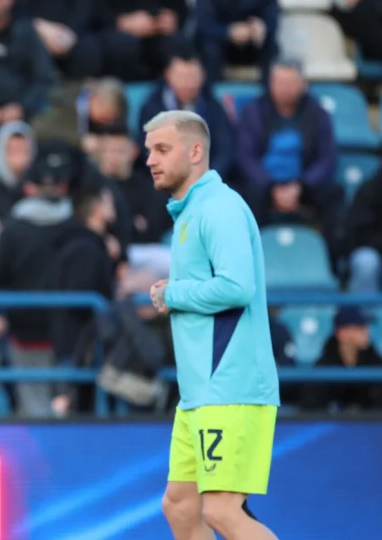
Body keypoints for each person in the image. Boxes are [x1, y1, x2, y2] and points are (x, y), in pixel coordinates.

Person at [145, 109, 281, 540]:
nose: (150, 160)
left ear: (196, 151)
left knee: (222, 511)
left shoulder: (218, 208)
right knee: (181, 505)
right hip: (200, 394)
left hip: (231, 386)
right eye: (149, 150)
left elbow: (238, 287)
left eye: (162, 149)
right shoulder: (190, 212)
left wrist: (175, 293)